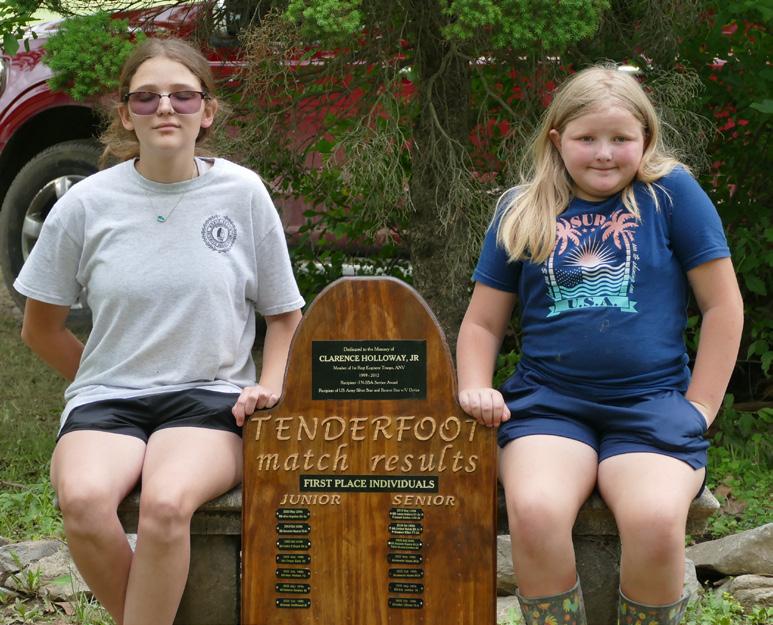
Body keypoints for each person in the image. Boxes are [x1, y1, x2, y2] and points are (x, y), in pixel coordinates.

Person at [14, 38, 304, 625]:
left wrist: (269, 386)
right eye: (145, 98)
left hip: (209, 396)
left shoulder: (242, 193)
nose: (165, 108)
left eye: (182, 96)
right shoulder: (85, 205)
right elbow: (39, 329)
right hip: (107, 399)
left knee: (167, 505)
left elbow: (284, 314)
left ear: (208, 110)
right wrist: (103, 374)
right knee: (84, 502)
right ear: (126, 114)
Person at [457, 65, 743, 625]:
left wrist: (702, 406)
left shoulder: (671, 196)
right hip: (548, 405)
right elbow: (483, 324)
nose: (605, 153)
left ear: (646, 139)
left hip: (651, 406)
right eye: (587, 138)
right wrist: (474, 385)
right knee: (535, 512)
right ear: (557, 139)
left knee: (655, 520)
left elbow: (723, 306)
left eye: (621, 138)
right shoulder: (522, 207)